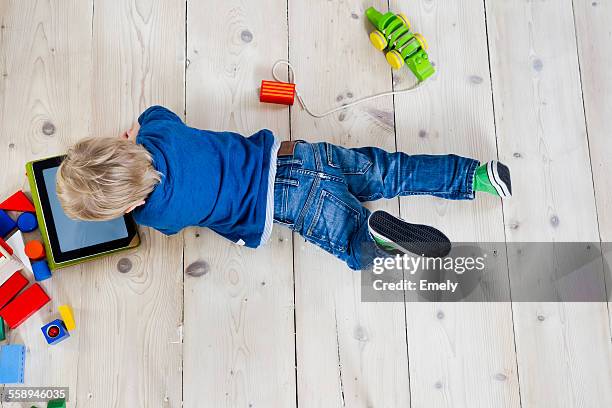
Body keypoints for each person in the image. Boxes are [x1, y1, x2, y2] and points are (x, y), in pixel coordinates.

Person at [56, 105, 511, 270]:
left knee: (351, 240)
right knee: (389, 170)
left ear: (132, 202)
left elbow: (172, 225)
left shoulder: (155, 213)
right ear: (121, 144)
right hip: (298, 155)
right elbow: (155, 111)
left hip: (288, 201)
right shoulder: (160, 135)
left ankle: (373, 236)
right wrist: (134, 137)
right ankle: (478, 176)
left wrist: (131, 208)